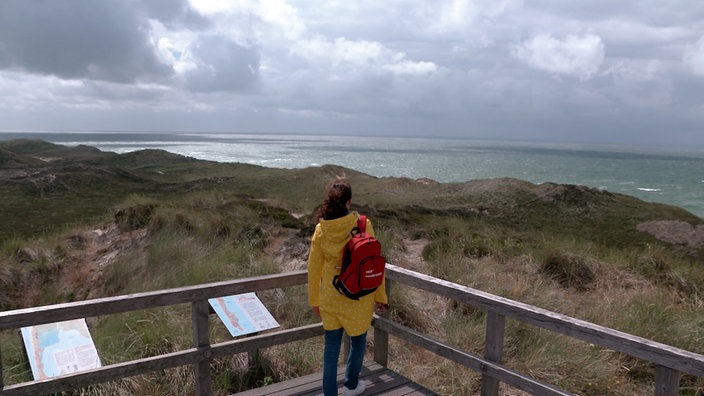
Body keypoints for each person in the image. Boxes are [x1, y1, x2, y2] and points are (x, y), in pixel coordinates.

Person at [307, 178, 388, 396]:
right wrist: (381, 296)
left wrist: (314, 300)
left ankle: (329, 393)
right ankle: (351, 386)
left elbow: (313, 269)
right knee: (359, 341)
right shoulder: (363, 224)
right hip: (358, 297)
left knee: (331, 349)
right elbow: (374, 265)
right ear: (349, 201)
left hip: (331, 299)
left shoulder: (321, 230)